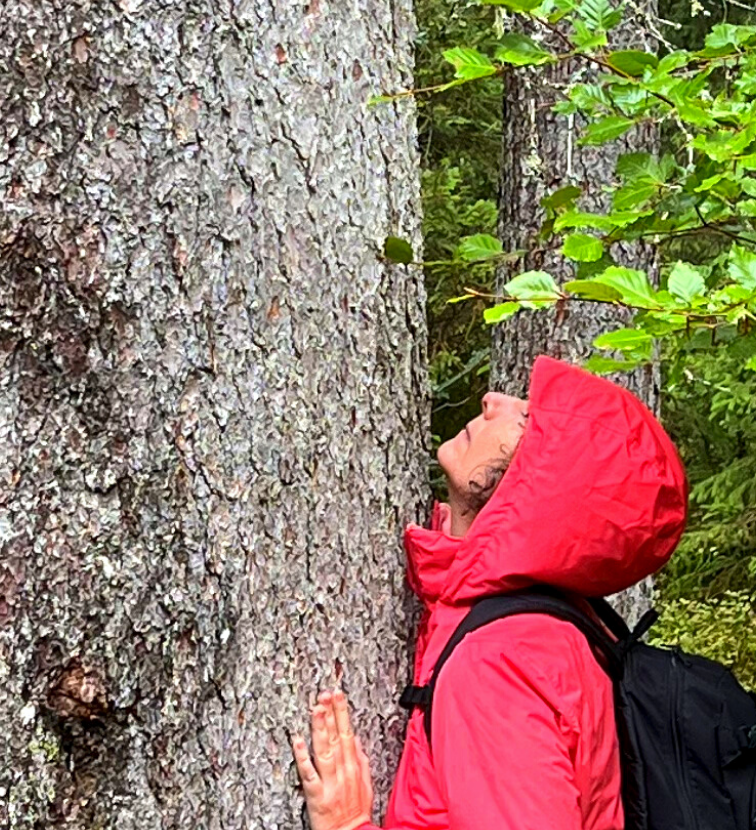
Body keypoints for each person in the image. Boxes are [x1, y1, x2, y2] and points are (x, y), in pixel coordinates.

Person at [292, 356, 688, 830]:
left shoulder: (501, 663)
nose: (492, 400)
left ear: (549, 480)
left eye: (527, 416)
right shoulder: (541, 622)